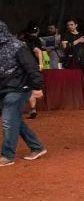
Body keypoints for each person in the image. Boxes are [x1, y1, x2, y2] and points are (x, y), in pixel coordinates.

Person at [0, 20, 47, 166]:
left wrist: (38, 87)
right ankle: (37, 147)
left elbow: (31, 67)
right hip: (5, 89)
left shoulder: (17, 46)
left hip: (19, 88)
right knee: (14, 120)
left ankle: (7, 155)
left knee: (8, 121)